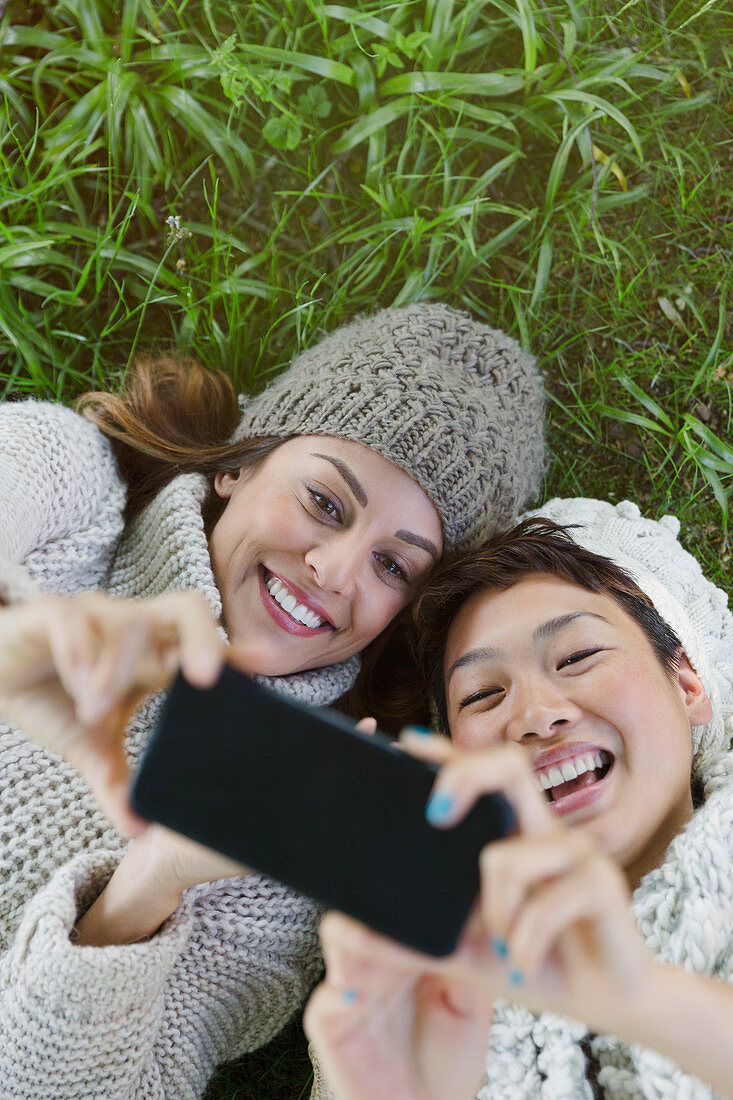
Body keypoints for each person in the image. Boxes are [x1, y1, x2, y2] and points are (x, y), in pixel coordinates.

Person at [0, 303, 545, 1099]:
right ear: (240, 465)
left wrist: (147, 889)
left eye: (394, 567)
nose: (333, 568)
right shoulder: (70, 490)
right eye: (326, 502)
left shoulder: (284, 880)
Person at [305, 497, 733, 1100]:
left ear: (687, 682)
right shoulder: (429, 989)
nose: (533, 715)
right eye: (481, 695)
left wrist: (637, 998)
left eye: (578, 656)